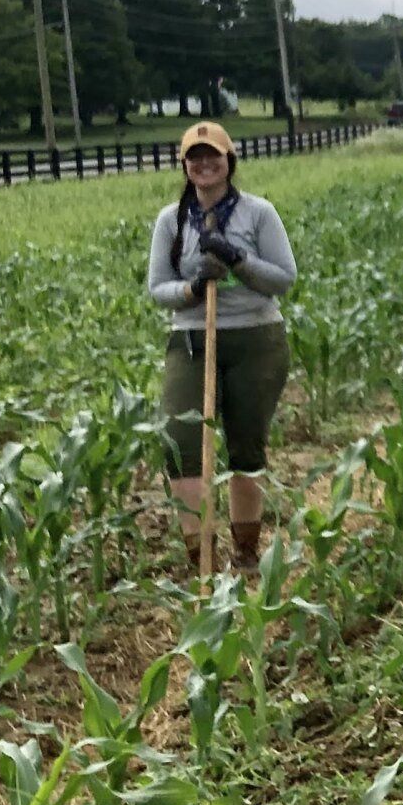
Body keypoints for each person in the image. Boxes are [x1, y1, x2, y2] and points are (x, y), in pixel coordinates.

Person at [146, 121, 297, 577]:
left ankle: (246, 550)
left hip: (256, 338)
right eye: (194, 157)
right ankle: (202, 556)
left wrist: (238, 259)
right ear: (184, 166)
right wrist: (192, 289)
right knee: (180, 442)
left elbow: (283, 279)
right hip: (192, 338)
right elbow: (157, 288)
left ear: (229, 161)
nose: (204, 163)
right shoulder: (171, 220)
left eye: (212, 155)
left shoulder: (259, 213)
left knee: (245, 446)